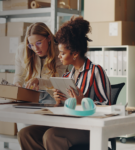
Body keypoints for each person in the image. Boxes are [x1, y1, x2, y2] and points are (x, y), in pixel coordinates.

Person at [17, 16, 111, 150]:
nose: (59, 56)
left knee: (51, 136)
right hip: (69, 123)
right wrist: (58, 101)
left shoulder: (95, 71)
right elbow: (65, 108)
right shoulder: (67, 76)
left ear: (75, 53)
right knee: (26, 134)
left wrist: (82, 102)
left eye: (62, 53)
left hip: (89, 126)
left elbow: (107, 108)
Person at [13, 22, 67, 104]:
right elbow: (19, 75)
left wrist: (38, 81)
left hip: (52, 96)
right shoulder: (22, 50)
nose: (35, 48)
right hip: (30, 94)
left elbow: (57, 81)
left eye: (39, 43)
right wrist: (17, 84)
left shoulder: (60, 53)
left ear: (49, 38)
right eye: (31, 45)